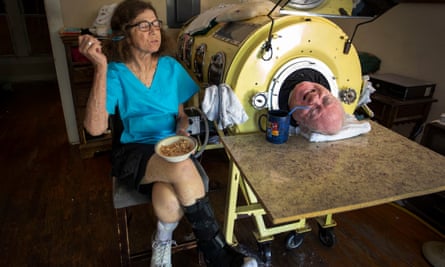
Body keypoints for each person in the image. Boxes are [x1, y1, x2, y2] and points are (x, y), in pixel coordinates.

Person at [78, 1, 257, 267]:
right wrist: (100, 68)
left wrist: (182, 126)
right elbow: (94, 129)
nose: (154, 31)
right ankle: (217, 253)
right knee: (183, 168)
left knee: (170, 198)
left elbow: (180, 114)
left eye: (156, 24)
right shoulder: (114, 73)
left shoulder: (170, 67)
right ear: (124, 33)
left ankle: (161, 242)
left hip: (172, 146)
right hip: (135, 151)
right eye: (144, 25)